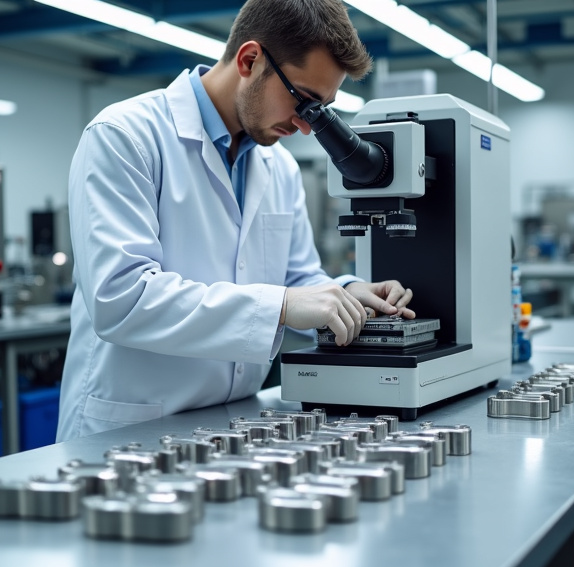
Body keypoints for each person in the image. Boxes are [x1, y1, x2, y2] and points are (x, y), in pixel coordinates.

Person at [56, 0, 416, 441]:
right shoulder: (125, 136)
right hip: (131, 427)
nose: (307, 128)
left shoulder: (278, 167)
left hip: (236, 422)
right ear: (249, 60)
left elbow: (298, 277)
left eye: (322, 111)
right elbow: (122, 298)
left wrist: (346, 293)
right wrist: (282, 307)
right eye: (305, 103)